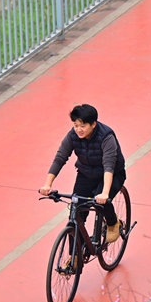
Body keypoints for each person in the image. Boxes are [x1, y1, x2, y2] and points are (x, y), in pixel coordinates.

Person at [39, 103, 126, 244]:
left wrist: (104, 193)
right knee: (76, 215)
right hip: (86, 174)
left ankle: (112, 222)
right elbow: (60, 157)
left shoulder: (106, 136)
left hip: (112, 174)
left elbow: (108, 166)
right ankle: (74, 260)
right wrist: (47, 184)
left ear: (93, 124)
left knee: (101, 203)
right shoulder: (73, 135)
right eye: (75, 125)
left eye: (82, 126)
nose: (78, 130)